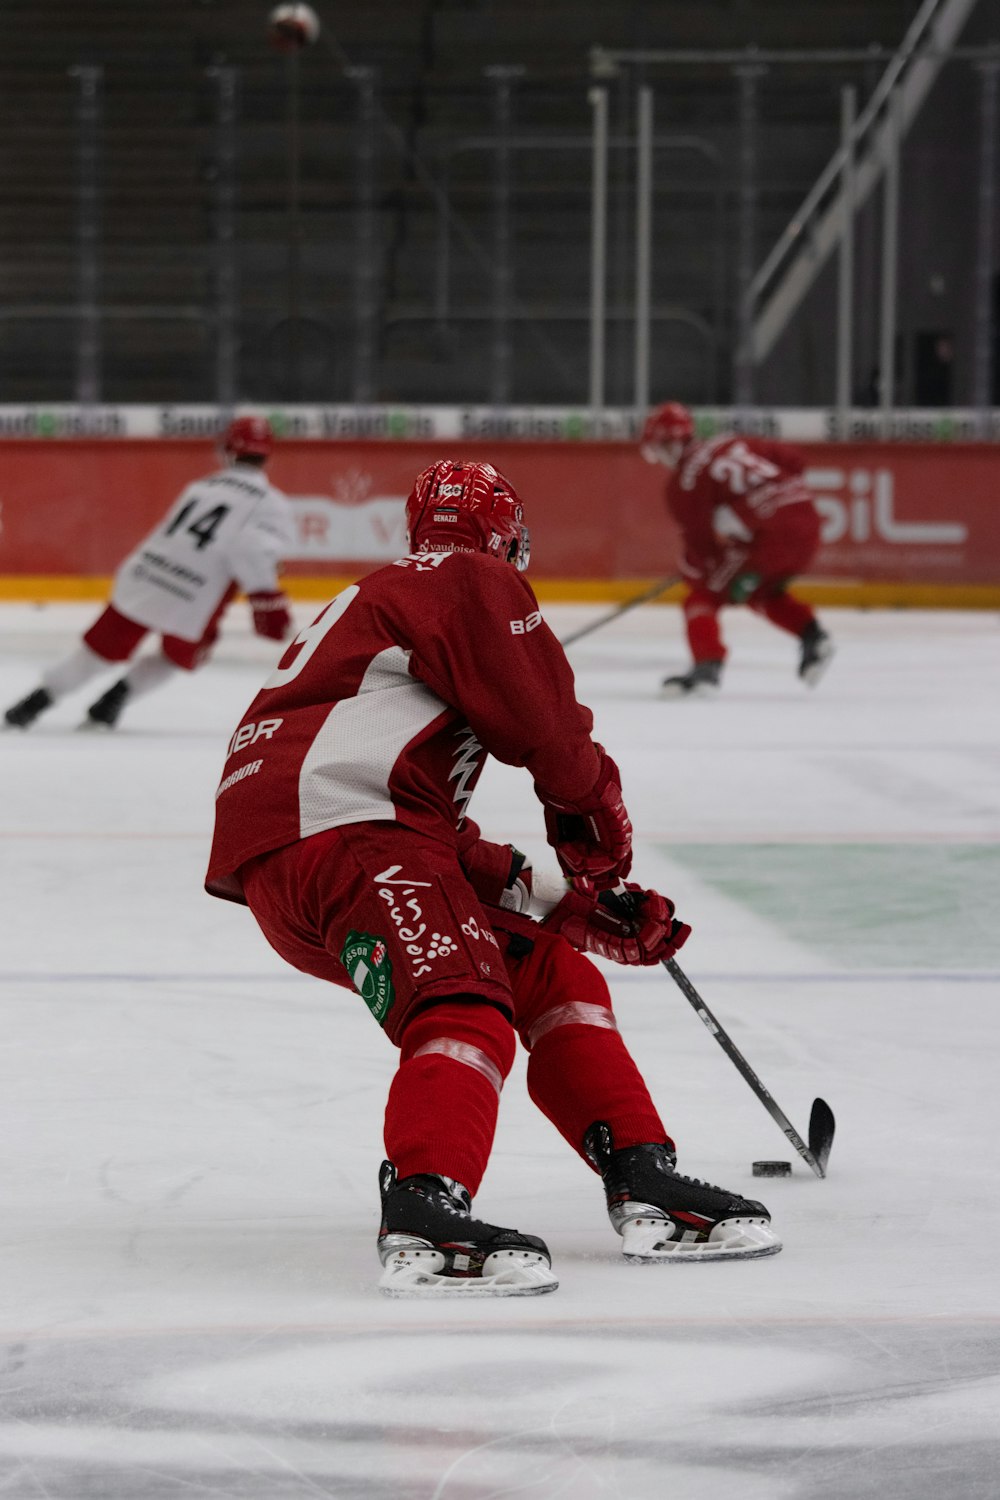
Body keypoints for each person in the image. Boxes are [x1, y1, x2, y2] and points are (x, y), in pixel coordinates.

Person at [205, 457, 781, 1298]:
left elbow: (437, 845)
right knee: (463, 998)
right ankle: (424, 1208)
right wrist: (596, 828)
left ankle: (642, 1172)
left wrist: (572, 910)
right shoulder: (468, 578)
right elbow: (548, 731)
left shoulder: (389, 603)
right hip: (347, 839)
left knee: (548, 969)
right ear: (507, 534)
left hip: (309, 861)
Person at [4, 416, 294, 732]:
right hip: (194, 596)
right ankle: (112, 702)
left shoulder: (201, 486)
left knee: (99, 651)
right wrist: (267, 598)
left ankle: (31, 704)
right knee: (181, 656)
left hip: (145, 577)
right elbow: (251, 550)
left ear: (227, 449)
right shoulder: (271, 503)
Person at [640, 402, 835, 697]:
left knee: (702, 598)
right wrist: (773, 500)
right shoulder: (731, 441)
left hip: (770, 538)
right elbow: (795, 461)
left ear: (671, 443)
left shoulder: (682, 485)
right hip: (808, 520)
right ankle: (814, 637)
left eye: (661, 448)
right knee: (757, 590)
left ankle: (707, 670)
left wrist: (691, 570)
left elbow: (703, 549)